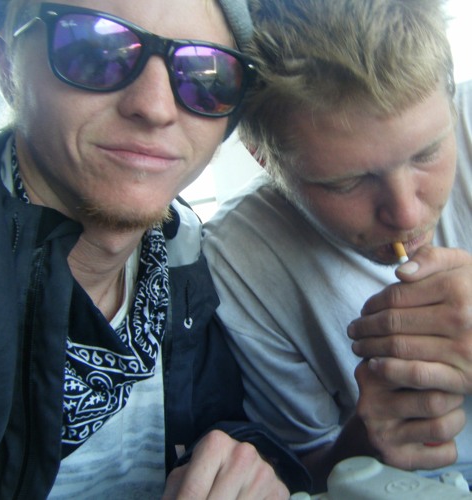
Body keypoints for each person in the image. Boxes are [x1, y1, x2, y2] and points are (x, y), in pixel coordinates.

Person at [0, 0, 311, 497]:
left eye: (206, 74)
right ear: (7, 64)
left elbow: (217, 421)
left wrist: (249, 467)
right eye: (96, 49)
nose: (155, 108)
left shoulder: (179, 249)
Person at [202, 0, 472, 493]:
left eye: (428, 152)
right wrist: (365, 440)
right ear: (263, 158)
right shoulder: (239, 261)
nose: (406, 215)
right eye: (346, 182)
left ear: (451, 97)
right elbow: (305, 472)